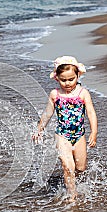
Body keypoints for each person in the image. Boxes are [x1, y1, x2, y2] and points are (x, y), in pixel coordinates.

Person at [32, 56, 98, 202]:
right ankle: (72, 195)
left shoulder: (83, 93)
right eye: (63, 80)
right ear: (57, 78)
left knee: (80, 168)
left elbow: (91, 113)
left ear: (78, 76)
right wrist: (39, 129)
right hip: (62, 135)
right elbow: (48, 113)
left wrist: (94, 132)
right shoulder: (55, 94)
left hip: (79, 135)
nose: (67, 83)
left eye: (71, 79)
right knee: (68, 166)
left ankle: (70, 181)